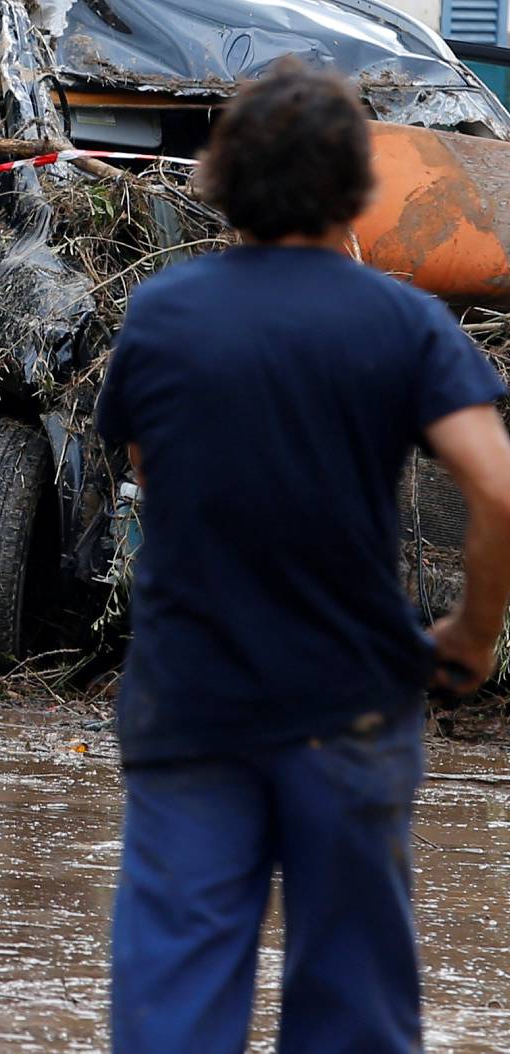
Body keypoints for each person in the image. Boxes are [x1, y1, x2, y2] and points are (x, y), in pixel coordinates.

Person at [99, 58, 510, 1054]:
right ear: (355, 188)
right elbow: (496, 485)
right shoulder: (404, 323)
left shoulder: (161, 316)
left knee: (174, 1011)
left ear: (224, 180)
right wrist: (470, 633)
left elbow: (156, 475)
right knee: (353, 1013)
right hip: (351, 709)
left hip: (192, 704)